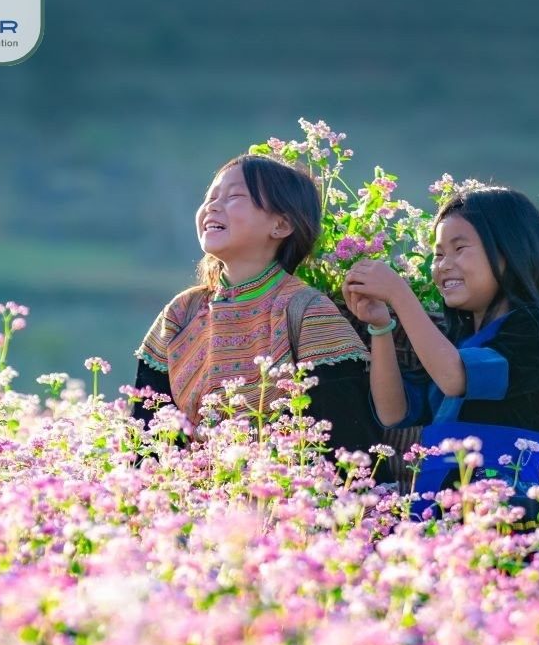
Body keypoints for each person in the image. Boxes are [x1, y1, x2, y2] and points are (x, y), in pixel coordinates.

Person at [342, 187, 539, 522]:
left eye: (459, 249)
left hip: (500, 510)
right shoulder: (457, 343)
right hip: (433, 506)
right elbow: (393, 411)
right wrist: (381, 327)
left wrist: (400, 294)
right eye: (439, 254)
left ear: (509, 252)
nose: (444, 265)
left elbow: (456, 378)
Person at [133, 154, 383, 463]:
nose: (212, 206)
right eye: (210, 197)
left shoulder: (308, 312)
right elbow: (145, 438)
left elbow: (346, 441)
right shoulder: (182, 313)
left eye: (235, 196)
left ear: (281, 224)